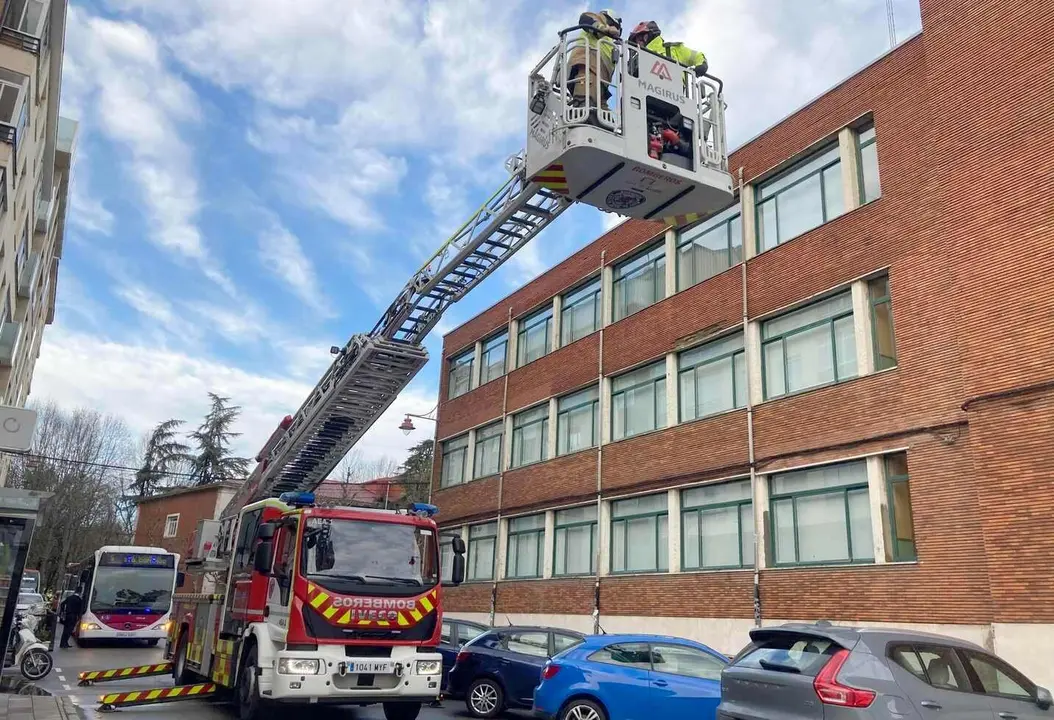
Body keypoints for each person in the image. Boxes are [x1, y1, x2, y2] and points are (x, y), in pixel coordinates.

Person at [567, 9, 622, 109]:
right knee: (585, 104)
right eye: (616, 27)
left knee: (605, 119)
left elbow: (608, 63)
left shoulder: (610, 44)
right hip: (587, 66)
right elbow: (585, 19)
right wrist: (605, 29)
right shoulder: (598, 20)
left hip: (601, 83)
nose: (616, 32)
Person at [628, 20, 708, 75]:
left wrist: (702, 65)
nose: (637, 43)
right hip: (645, 91)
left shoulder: (674, 49)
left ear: (647, 36)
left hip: (675, 93)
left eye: (638, 39)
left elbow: (696, 56)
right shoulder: (636, 59)